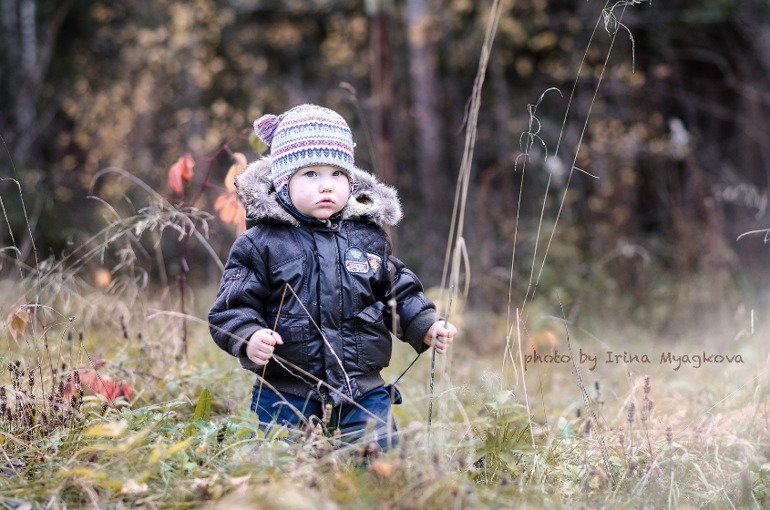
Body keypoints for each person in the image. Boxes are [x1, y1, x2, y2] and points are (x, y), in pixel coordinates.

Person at [208, 104, 456, 451]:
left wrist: (425, 323)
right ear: (284, 181)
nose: (326, 186)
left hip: (362, 387)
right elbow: (230, 309)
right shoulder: (260, 244)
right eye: (310, 174)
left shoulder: (367, 238)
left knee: (376, 456)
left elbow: (397, 291)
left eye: (337, 174)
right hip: (286, 387)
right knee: (280, 460)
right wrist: (249, 336)